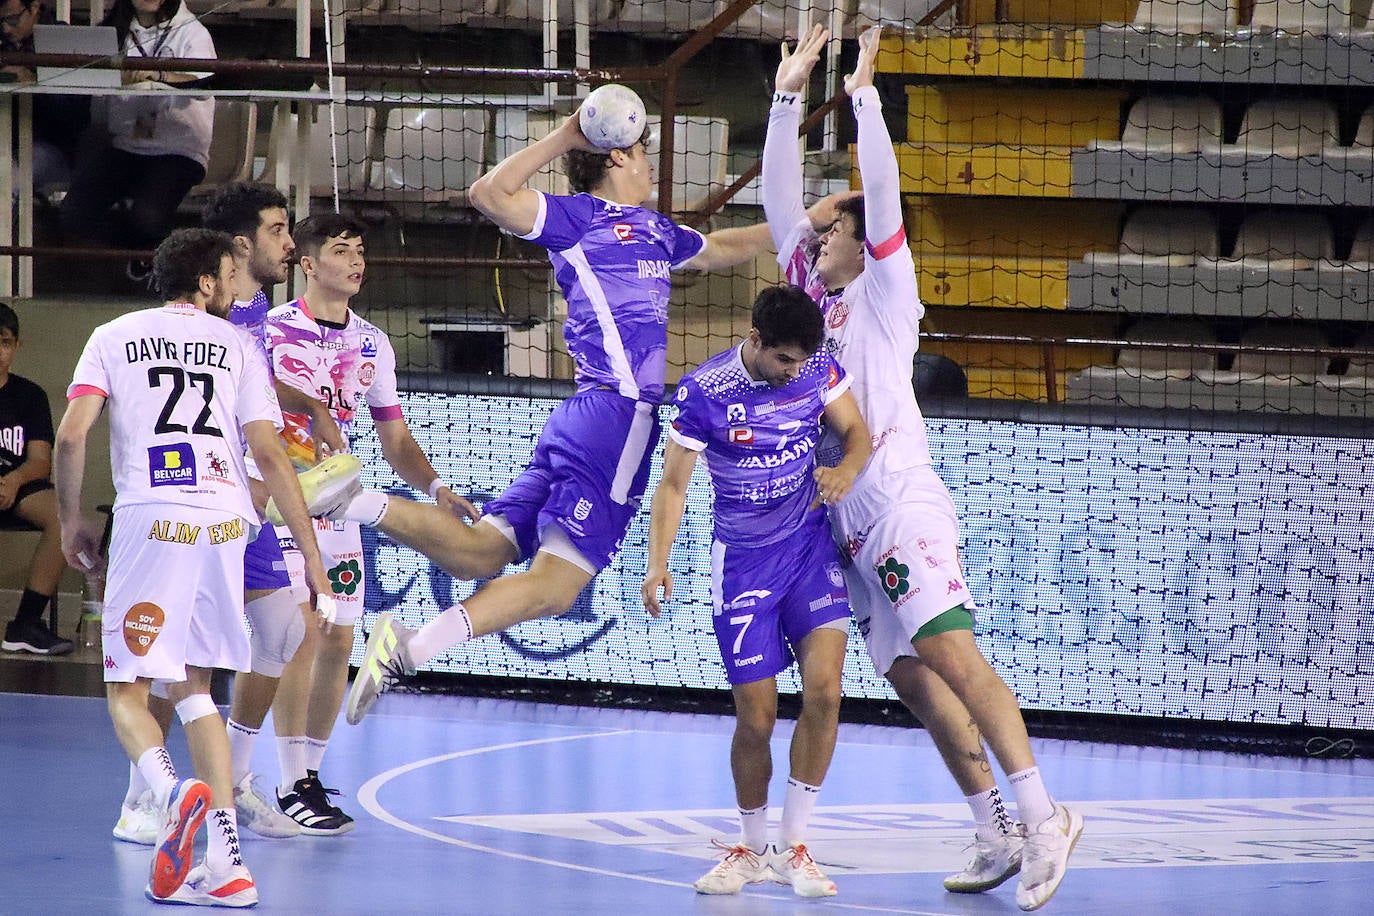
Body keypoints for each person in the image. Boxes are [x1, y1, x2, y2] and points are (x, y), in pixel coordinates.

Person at [762, 26, 1083, 911]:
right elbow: (778, 195)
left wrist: (861, 94)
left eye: (833, 225)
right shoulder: (815, 299)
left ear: (864, 244)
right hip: (846, 525)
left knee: (954, 652)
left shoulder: (884, 293)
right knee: (913, 679)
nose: (815, 229)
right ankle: (994, 829)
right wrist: (789, 96)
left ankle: (1045, 817)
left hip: (899, 501)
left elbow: (881, 198)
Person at [338, 97, 783, 726]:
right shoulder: (578, 219)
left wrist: (799, 225)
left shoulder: (656, 229)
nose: (653, 163)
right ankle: (410, 649)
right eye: (646, 150)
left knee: (483, 553)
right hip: (619, 418)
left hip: (581, 418)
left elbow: (721, 246)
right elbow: (490, 193)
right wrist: (567, 134)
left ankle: (353, 503)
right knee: (556, 586)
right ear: (619, 154)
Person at [53, 228, 331, 907]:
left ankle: (172, 792)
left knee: (127, 687)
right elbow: (268, 455)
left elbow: (70, 434)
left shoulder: (114, 335)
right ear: (206, 283)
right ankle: (228, 863)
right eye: (231, 273)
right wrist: (312, 558)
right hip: (226, 521)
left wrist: (71, 522)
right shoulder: (239, 347)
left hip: (153, 517)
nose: (237, 284)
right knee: (197, 687)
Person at [108, 182, 345, 846]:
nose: (290, 242)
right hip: (205, 496)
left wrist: (307, 405)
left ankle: (231, 783)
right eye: (278, 230)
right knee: (174, 653)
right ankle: (143, 797)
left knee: (280, 626)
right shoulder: (206, 319)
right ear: (239, 247)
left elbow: (258, 385)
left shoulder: (253, 309)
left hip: (236, 501)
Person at [641, 285, 871, 897]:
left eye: (803, 361)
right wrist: (657, 562)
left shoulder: (818, 365)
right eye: (785, 361)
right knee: (758, 718)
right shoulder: (703, 393)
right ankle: (750, 845)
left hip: (808, 549)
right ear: (756, 340)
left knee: (825, 691)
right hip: (741, 565)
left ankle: (795, 845)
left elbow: (857, 434)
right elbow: (672, 484)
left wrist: (845, 470)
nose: (796, 371)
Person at [260, 212, 463, 834]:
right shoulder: (267, 331)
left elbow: (393, 436)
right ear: (307, 262)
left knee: (339, 639)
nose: (357, 262)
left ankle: (308, 778)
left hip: (338, 503)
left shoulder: (372, 343)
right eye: (342, 251)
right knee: (298, 634)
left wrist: (434, 486)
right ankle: (285, 779)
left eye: (361, 252)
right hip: (276, 500)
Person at [60, 0, 215, 278]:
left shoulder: (192, 31)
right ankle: (150, 251)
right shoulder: (111, 32)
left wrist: (158, 75)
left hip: (178, 150)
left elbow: (204, 82)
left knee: (149, 217)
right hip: (126, 145)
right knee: (73, 214)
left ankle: (155, 251)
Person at [0, 301, 72, 655]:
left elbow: (40, 461)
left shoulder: (29, 396)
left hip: (17, 483)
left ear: (16, 346)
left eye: (5, 342)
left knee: (64, 519)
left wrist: (13, 481)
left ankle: (25, 624)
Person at [0, 0, 91, 195]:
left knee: (12, 180)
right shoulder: (4, 40)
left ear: (34, 8)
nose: (5, 28)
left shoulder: (61, 38)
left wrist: (35, 83)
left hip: (53, 147)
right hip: (6, 140)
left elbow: (76, 116)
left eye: (13, 19)